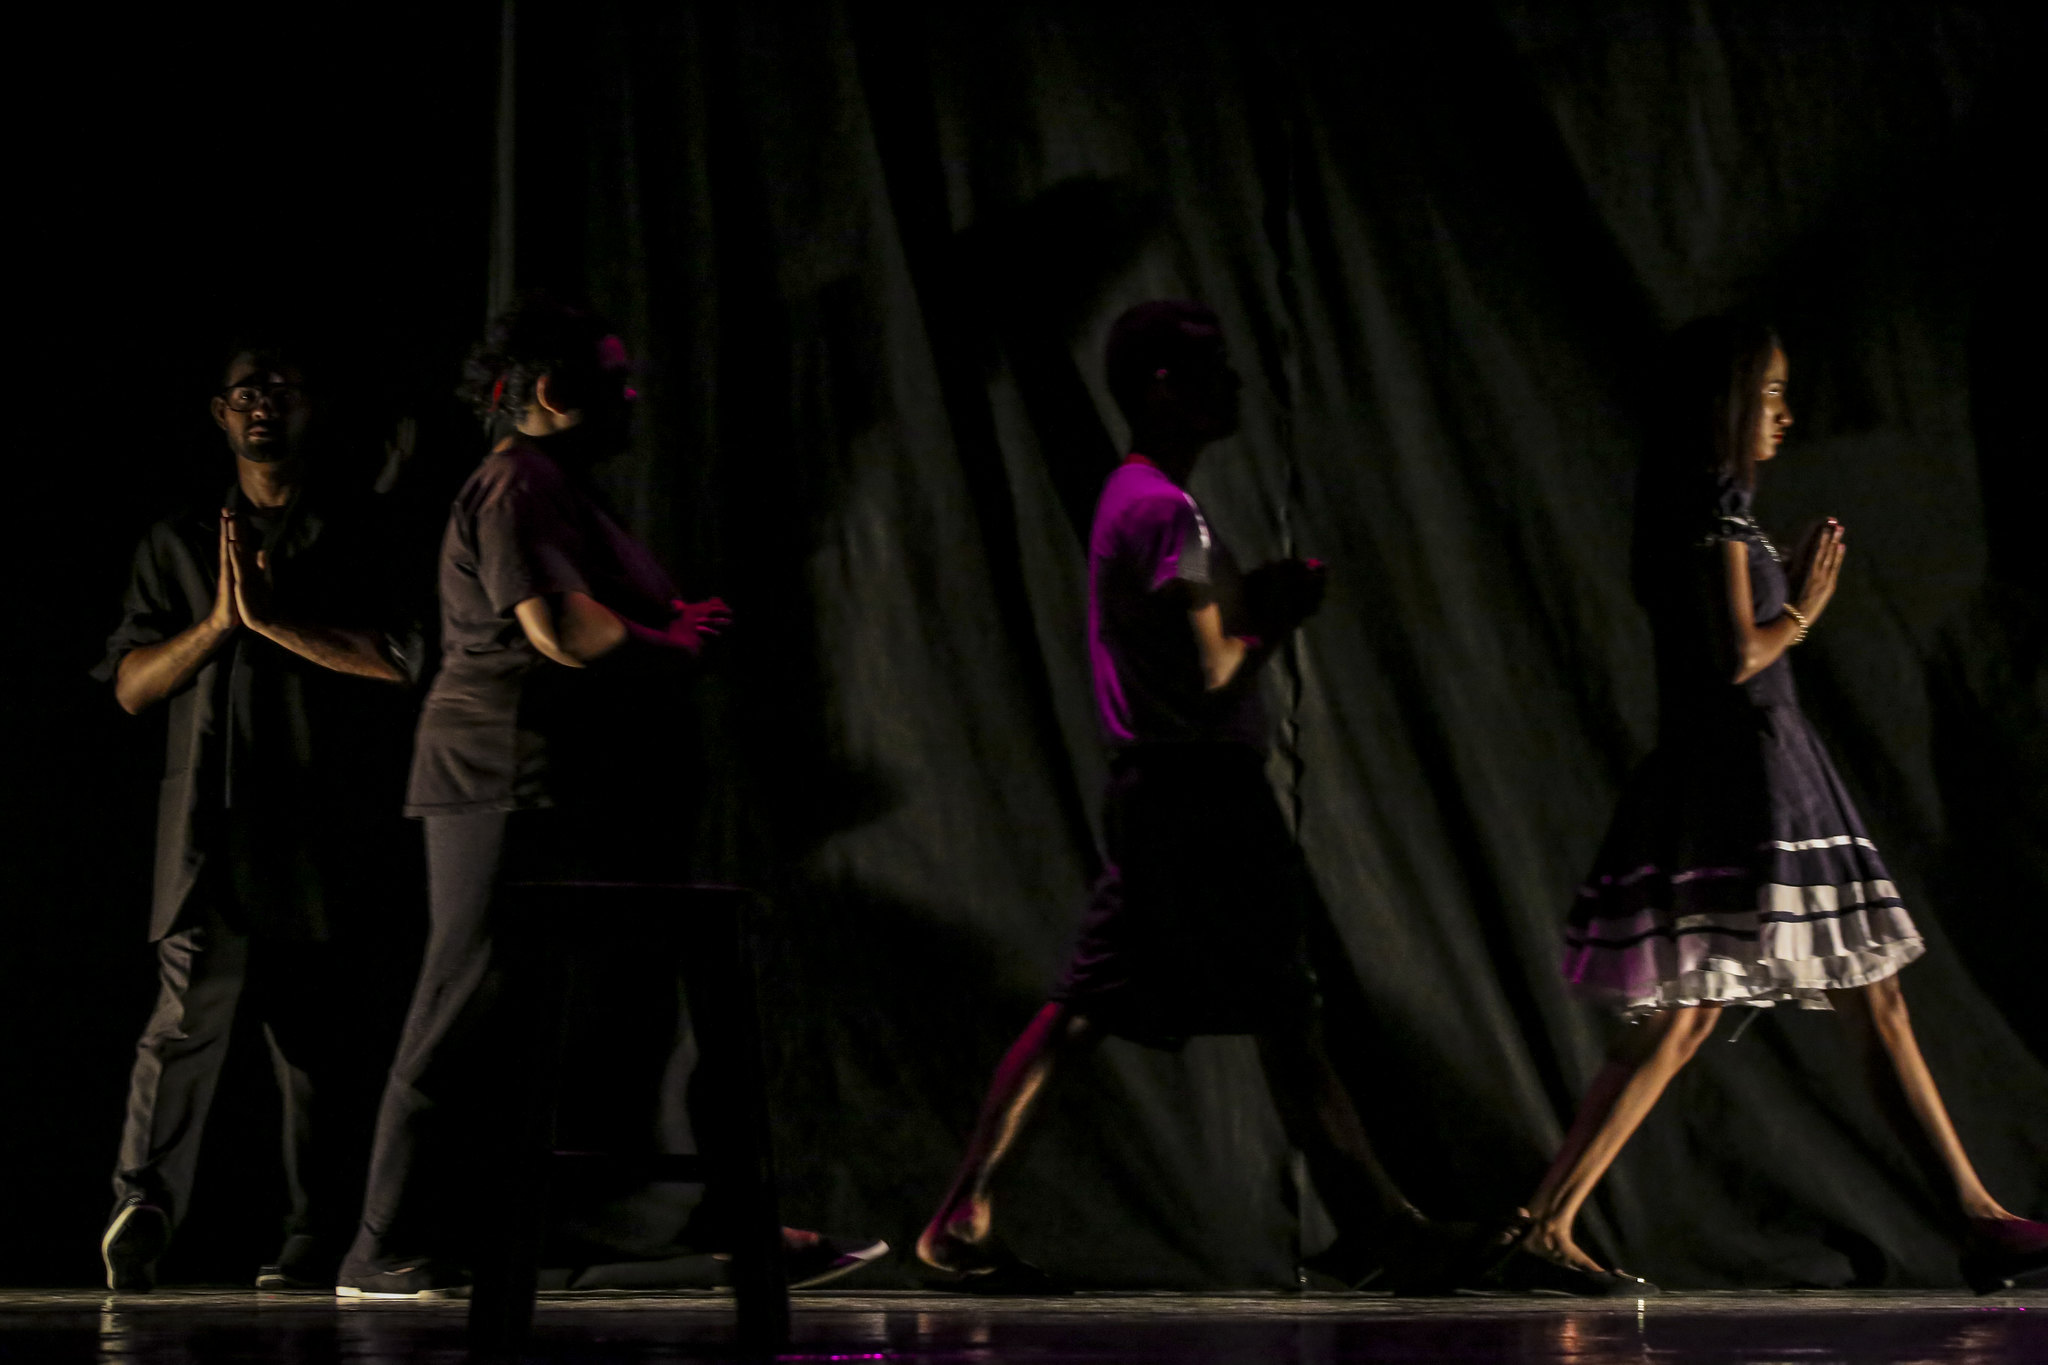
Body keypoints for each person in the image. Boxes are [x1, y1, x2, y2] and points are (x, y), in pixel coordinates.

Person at [916, 300, 1485, 1293]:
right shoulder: (1164, 513)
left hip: (1171, 793)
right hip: (1197, 800)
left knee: (1216, 1008)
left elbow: (1182, 647)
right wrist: (1273, 615)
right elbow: (1212, 671)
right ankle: (1379, 1226)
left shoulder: (1141, 502)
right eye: (1213, 369)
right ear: (1162, 387)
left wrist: (1247, 601)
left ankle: (1374, 1222)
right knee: (1248, 1009)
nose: (1235, 385)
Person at [336, 297, 887, 1299]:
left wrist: (669, 619)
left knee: (622, 1013)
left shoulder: (559, 489)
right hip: (502, 779)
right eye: (614, 378)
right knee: (463, 1002)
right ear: (552, 391)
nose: (632, 395)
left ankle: (687, 1224)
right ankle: (383, 1246)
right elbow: (562, 630)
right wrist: (676, 638)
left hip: (568, 783)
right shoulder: (515, 482)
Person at [1487, 316, 2048, 1295]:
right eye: (1772, 394)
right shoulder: (1709, 505)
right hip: (1745, 770)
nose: (1785, 415)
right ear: (1727, 401)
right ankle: (1542, 1220)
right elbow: (1737, 654)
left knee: (1829, 994)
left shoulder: (1715, 508)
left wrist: (1776, 586)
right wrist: (1802, 609)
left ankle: (1976, 1215)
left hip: (1753, 762)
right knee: (1723, 1002)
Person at [96, 343, 423, 1293]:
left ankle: (315, 1234)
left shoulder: (357, 530)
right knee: (183, 1019)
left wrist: (278, 622)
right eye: (246, 392)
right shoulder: (179, 539)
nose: (262, 405)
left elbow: (405, 658)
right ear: (220, 412)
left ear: (312, 407)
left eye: (281, 390)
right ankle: (142, 1204)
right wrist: (218, 623)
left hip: (318, 826)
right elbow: (130, 686)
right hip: (205, 827)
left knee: (315, 1038)